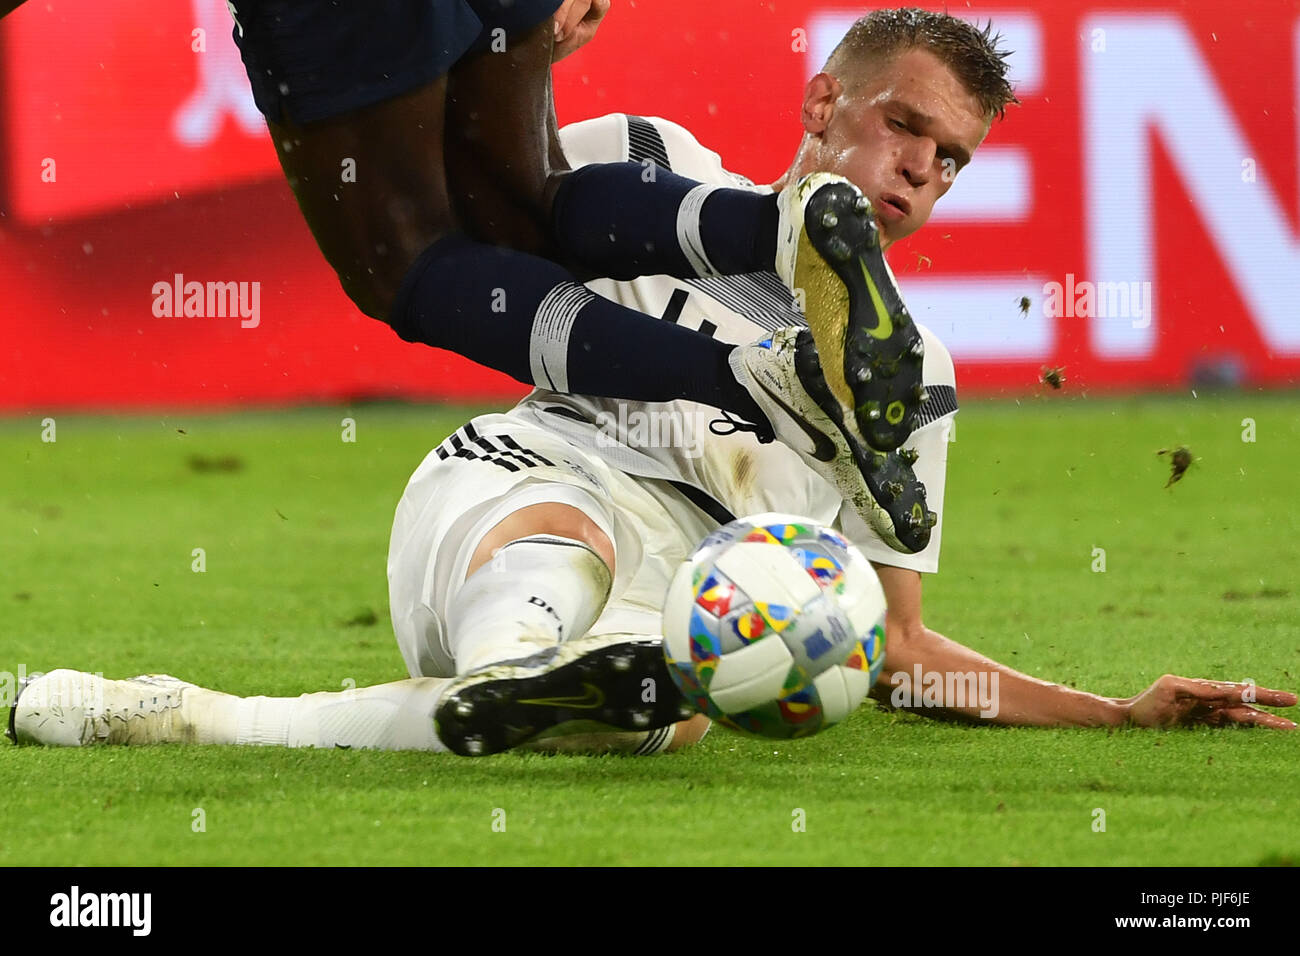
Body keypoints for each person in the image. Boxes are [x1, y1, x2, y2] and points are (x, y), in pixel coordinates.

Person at [9, 9, 1295, 757]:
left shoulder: (926, 381)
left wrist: (1112, 716)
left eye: (947, 159)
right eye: (901, 126)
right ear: (820, 99)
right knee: (555, 543)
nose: (915, 173)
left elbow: (898, 650)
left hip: (697, 593)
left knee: (665, 687)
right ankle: (541, 646)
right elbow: (512, 239)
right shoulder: (642, 160)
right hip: (531, 476)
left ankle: (547, 681)